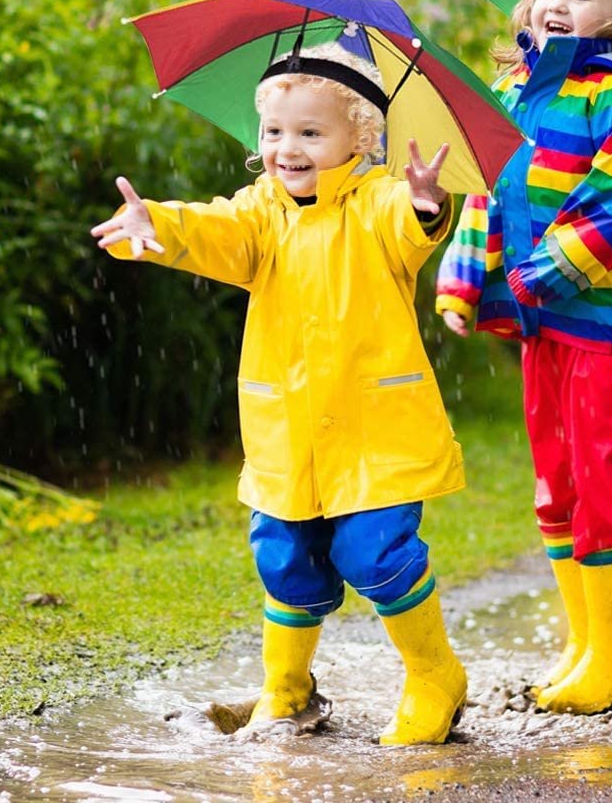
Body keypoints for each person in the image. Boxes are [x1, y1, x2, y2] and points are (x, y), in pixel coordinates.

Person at [91, 42, 467, 745]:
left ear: (361, 137)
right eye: (274, 132)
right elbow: (215, 230)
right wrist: (160, 227)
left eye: (310, 133)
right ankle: (287, 690)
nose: (286, 149)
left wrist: (425, 201)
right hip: (287, 430)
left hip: (372, 426)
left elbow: (410, 229)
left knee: (375, 554)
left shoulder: (379, 202)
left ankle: (434, 675)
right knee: (284, 556)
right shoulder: (259, 212)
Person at [435, 0, 612, 715]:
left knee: (605, 471)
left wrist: (546, 272)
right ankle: (588, 642)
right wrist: (467, 277)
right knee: (559, 479)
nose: (556, 4)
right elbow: (486, 188)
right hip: (544, 327)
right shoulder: (515, 94)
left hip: (608, 321)